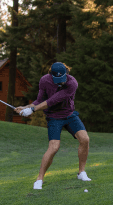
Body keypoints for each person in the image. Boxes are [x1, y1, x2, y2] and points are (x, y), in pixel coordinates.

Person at [14, 62, 91, 190]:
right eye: (57, 80)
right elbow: (39, 100)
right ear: (51, 75)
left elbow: (52, 100)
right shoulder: (44, 80)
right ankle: (39, 179)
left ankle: (81, 172)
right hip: (54, 117)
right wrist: (26, 107)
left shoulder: (72, 83)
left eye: (62, 79)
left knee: (85, 139)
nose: (60, 82)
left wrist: (32, 110)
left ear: (66, 73)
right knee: (54, 147)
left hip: (69, 115)